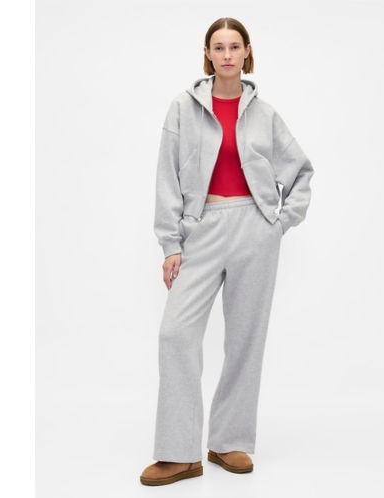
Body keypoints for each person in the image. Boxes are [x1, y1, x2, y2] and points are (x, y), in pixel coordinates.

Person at [140, 17, 314, 487]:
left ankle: (228, 440)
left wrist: (278, 224)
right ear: (207, 54)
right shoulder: (183, 108)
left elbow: (300, 171)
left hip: (253, 229)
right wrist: (171, 243)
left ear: (247, 51)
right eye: (218, 47)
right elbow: (167, 176)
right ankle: (179, 453)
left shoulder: (265, 115)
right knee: (175, 335)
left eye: (234, 46)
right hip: (201, 229)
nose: (227, 55)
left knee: (244, 340)